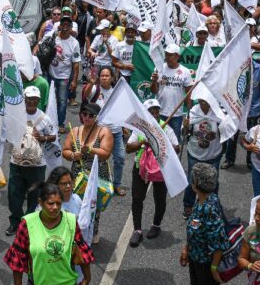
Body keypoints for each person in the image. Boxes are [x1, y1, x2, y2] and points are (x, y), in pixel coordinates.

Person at [3, 182, 94, 285]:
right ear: (40, 202)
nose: (55, 207)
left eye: (59, 203)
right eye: (50, 203)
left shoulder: (71, 221)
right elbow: (18, 257)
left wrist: (87, 277)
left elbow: (81, 249)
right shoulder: (28, 223)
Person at [180, 164, 230, 285]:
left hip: (206, 266)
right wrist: (187, 248)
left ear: (196, 182)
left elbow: (218, 243)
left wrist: (214, 268)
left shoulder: (209, 207)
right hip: (196, 260)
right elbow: (195, 228)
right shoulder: (201, 200)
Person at [126, 98, 179, 247]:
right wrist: (143, 142)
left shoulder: (166, 127)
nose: (154, 114)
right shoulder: (139, 127)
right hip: (141, 167)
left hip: (160, 169)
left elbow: (177, 148)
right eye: (151, 112)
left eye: (156, 111)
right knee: (137, 198)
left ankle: (156, 225)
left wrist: (162, 142)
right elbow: (128, 148)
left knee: (160, 198)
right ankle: (137, 230)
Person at [6, 86, 56, 236]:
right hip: (17, 162)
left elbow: (53, 136)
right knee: (14, 195)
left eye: (35, 99)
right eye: (29, 98)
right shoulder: (16, 115)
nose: (32, 101)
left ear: (39, 100)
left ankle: (28, 224)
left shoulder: (44, 118)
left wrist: (43, 138)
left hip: (37, 165)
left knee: (34, 197)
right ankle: (15, 222)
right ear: (24, 99)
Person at [62, 102, 113, 244]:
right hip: (78, 175)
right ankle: (75, 230)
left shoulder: (104, 132)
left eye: (91, 115)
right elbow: (65, 151)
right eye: (84, 114)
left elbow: (106, 153)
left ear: (97, 117)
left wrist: (90, 150)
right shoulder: (75, 131)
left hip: (96, 175)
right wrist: (73, 155)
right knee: (75, 202)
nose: (87, 117)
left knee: (93, 205)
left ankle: (93, 230)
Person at [46, 167, 88, 285]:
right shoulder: (51, 208)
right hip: (58, 266)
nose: (69, 186)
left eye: (70, 182)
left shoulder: (76, 199)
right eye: (64, 184)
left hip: (74, 263)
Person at [83, 67, 126, 196]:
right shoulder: (95, 89)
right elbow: (86, 95)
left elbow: (122, 110)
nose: (104, 78)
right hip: (99, 131)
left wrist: (124, 127)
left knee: (120, 158)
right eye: (102, 75)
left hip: (116, 131)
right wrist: (91, 83)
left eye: (107, 76)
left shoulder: (117, 92)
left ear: (112, 78)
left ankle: (117, 184)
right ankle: (95, 182)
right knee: (97, 158)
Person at [182, 97, 224, 219]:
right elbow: (184, 135)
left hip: (213, 155)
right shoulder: (192, 113)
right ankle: (189, 205)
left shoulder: (218, 113)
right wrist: (185, 126)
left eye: (207, 98)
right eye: (201, 99)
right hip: (195, 154)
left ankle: (212, 207)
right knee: (192, 181)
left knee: (212, 182)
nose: (204, 102)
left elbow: (226, 133)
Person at [150, 43, 194, 142]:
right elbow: (153, 91)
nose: (167, 57)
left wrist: (189, 114)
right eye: (166, 54)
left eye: (170, 55)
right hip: (159, 112)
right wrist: (154, 81)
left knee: (174, 142)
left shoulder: (185, 72)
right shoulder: (158, 68)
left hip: (176, 114)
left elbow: (189, 94)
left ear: (177, 56)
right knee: (159, 141)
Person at [49, 16, 81, 132]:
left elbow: (76, 63)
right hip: (50, 74)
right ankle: (47, 122)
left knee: (62, 101)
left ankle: (60, 124)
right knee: (48, 99)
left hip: (64, 76)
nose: (65, 26)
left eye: (68, 24)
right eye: (63, 24)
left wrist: (74, 81)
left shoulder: (74, 43)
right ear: (60, 26)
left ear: (71, 27)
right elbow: (40, 46)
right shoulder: (52, 37)